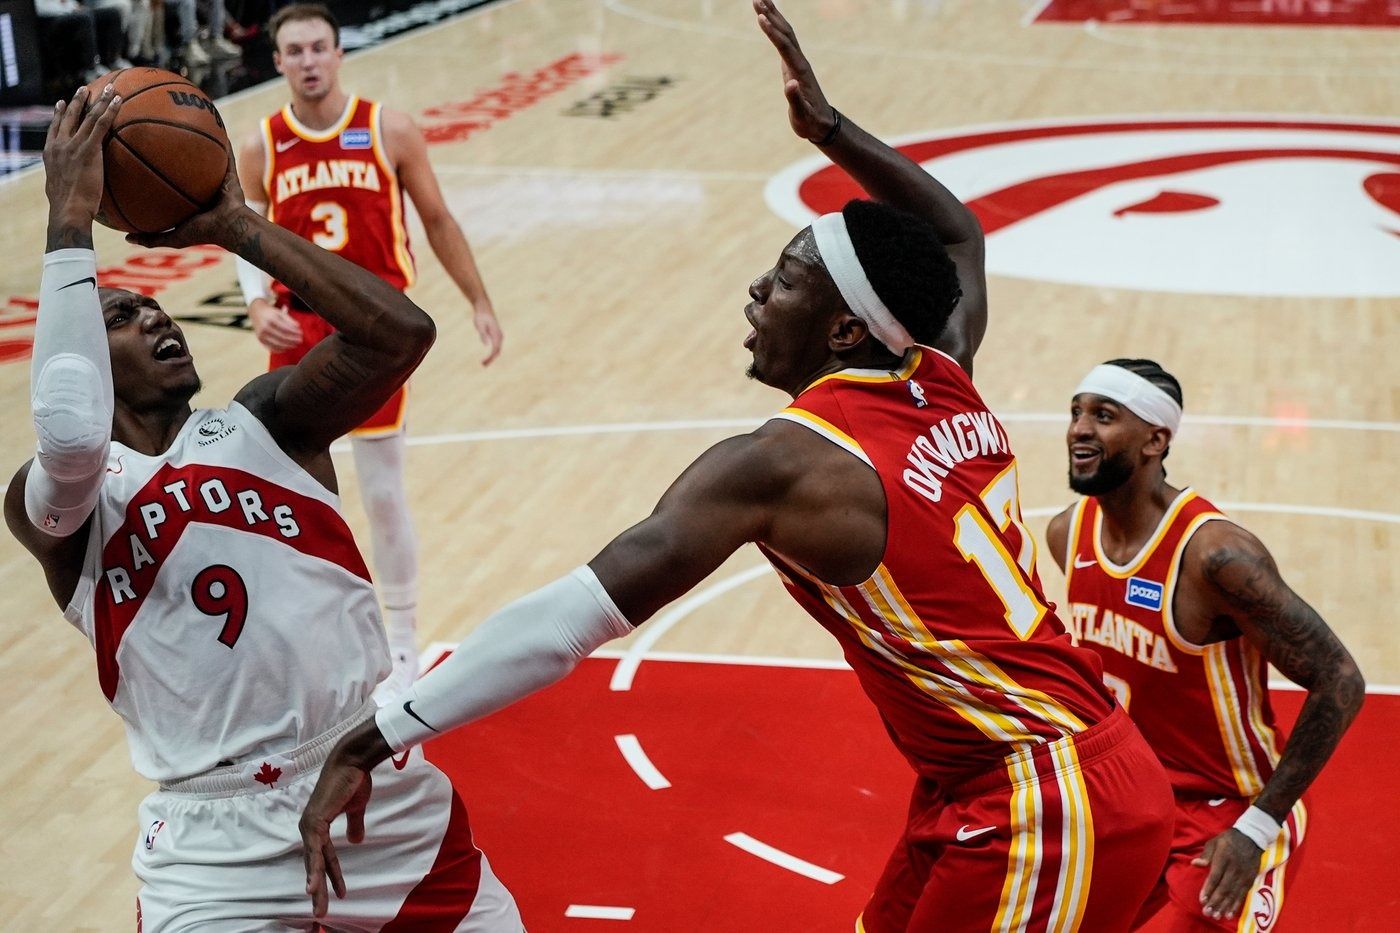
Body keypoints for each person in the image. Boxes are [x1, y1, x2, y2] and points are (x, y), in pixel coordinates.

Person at [300, 3, 1175, 929]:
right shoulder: (943, 370)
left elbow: (567, 620)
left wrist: (381, 731)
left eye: (788, 278)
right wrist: (827, 129)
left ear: (844, 329)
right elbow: (959, 236)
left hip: (1042, 797)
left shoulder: (785, 464)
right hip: (1009, 774)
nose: (759, 290)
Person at [8, 84, 520, 931]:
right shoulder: (61, 505)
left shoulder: (268, 419)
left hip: (371, 785)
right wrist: (69, 223)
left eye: (154, 303)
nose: (156, 315)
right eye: (124, 316)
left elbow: (402, 334)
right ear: (81, 353)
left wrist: (236, 227)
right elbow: (69, 434)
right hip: (213, 847)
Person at [236, 2, 503, 698]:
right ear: (277, 62)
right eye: (295, 52)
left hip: (376, 334)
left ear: (340, 52)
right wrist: (257, 304)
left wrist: (477, 299)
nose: (309, 61)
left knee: (382, 493)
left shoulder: (388, 128)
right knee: (292, 493)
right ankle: (304, 637)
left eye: (319, 47)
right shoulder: (262, 143)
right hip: (300, 330)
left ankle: (404, 640)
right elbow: (241, 234)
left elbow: (437, 219)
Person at [1043, 359, 1365, 930]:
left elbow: (1340, 679)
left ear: (1155, 441)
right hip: (1135, 802)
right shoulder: (1068, 533)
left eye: (1104, 415)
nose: (1080, 429)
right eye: (1076, 412)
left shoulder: (1215, 556)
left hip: (1231, 811)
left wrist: (1257, 828)